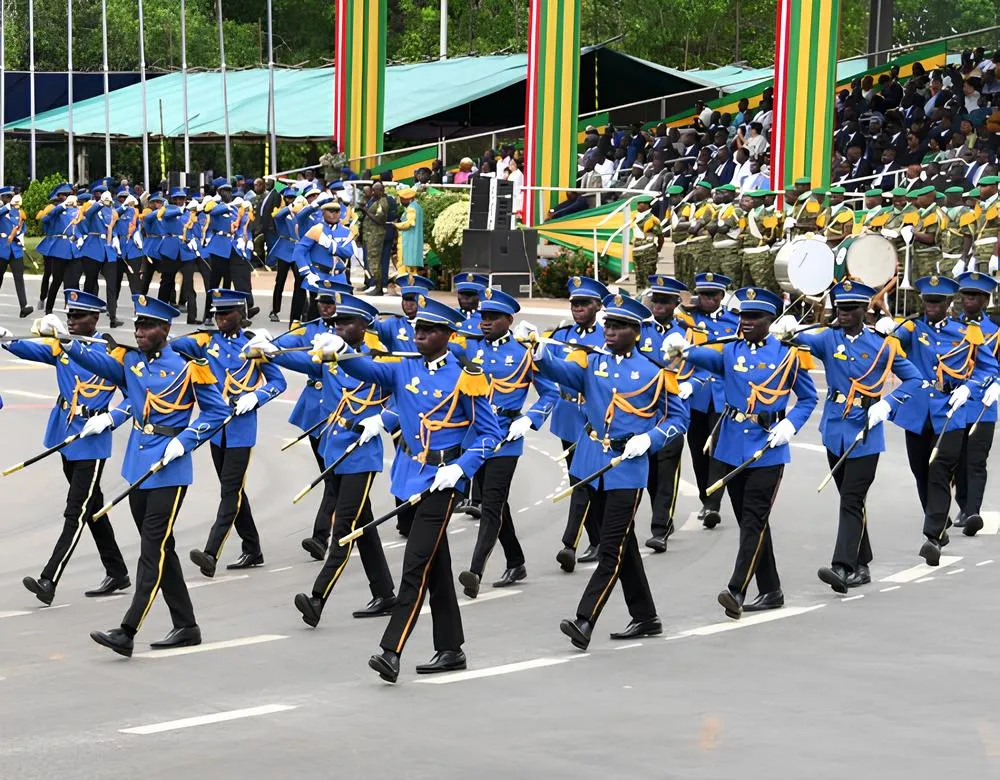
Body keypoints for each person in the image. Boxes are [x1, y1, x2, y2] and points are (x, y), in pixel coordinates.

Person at [311, 295, 501, 683]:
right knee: (436, 565)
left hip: (443, 480)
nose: (421, 336)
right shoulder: (404, 367)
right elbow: (367, 370)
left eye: (430, 331)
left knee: (414, 565)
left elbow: (489, 435)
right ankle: (450, 648)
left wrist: (462, 469)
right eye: (418, 329)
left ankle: (390, 650)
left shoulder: (467, 376)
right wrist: (343, 352)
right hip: (409, 474)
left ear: (447, 336)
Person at [35, 295, 230, 657]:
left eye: (147, 326)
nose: (139, 332)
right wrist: (65, 341)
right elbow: (97, 361)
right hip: (139, 466)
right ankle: (187, 625)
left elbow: (217, 413)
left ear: (165, 329)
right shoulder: (131, 361)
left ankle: (127, 630)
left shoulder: (189, 366)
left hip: (170, 468)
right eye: (137, 326)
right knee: (162, 550)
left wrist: (186, 441)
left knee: (151, 550)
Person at [526, 292, 688, 649]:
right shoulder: (592, 363)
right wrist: (538, 350)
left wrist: (650, 440)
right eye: (608, 325)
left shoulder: (655, 373)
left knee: (610, 548)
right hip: (590, 461)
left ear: (636, 331)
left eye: (618, 327)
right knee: (622, 542)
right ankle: (646, 616)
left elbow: (679, 419)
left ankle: (585, 619)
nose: (609, 332)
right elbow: (563, 372)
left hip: (626, 468)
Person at [250, 289, 398, 625]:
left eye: (347, 323)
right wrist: (272, 352)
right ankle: (386, 593)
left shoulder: (380, 361)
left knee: (343, 527)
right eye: (335, 322)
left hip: (361, 452)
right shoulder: (329, 356)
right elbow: (302, 361)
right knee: (362, 524)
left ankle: (317, 598)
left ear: (365, 326)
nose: (338, 328)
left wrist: (383, 419)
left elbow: (404, 399)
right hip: (334, 448)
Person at [670, 286, 817, 619]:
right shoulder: (729, 351)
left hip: (768, 448)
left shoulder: (788, 355)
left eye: (754, 317)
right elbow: (690, 356)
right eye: (743, 316)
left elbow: (808, 398)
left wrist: (790, 425)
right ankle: (772, 589)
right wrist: (677, 348)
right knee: (750, 521)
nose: (746, 322)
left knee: (753, 520)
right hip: (732, 446)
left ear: (770, 320)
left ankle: (736, 589)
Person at [771, 281, 922, 592]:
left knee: (852, 499)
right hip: (835, 430)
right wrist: (788, 332)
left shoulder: (883, 344)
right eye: (840, 308)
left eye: (851, 309)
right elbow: (803, 343)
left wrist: (888, 404)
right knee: (850, 499)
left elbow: (914, 379)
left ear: (865, 310)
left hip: (867, 431)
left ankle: (842, 565)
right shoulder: (829, 338)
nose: (844, 314)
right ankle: (862, 562)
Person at [0, 290, 130, 605]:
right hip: (65, 436)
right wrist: (6, 339)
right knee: (91, 509)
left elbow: (136, 398)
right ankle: (118, 571)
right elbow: (31, 350)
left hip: (92, 439)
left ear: (94, 319)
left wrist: (110, 420)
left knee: (76, 512)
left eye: (78, 316)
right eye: (69, 315)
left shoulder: (113, 354)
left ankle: (49, 579)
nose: (71, 321)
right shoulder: (62, 346)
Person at [170, 290, 287, 576]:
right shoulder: (206, 341)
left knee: (230, 491)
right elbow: (174, 345)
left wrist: (255, 398)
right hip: (216, 430)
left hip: (241, 430)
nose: (219, 319)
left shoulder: (253, 345)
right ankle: (253, 548)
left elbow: (278, 382)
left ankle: (211, 552)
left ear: (241, 315)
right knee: (233, 490)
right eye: (216, 313)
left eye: (226, 313)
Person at [456, 288, 559, 597]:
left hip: (505, 435)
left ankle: (475, 571)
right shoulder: (471, 349)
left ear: (509, 320)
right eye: (482, 317)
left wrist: (530, 418)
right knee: (495, 502)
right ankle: (516, 561)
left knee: (491, 503)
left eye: (492, 318)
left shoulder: (524, 352)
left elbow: (551, 392)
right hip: (476, 434)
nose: (485, 323)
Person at [892, 275, 998, 563]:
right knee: (920, 471)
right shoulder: (912, 329)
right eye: (928, 301)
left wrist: (969, 386)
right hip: (917, 411)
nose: (932, 306)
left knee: (940, 468)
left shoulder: (967, 332)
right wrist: (886, 332)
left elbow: (989, 368)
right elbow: (889, 347)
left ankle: (932, 536)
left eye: (938, 301)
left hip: (951, 410)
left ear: (949, 303)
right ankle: (938, 522)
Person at [271, 274, 354, 560]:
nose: (325, 308)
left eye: (330, 303)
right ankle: (342, 532)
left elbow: (314, 363)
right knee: (335, 479)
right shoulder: (310, 329)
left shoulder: (355, 336)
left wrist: (276, 354)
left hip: (346, 415)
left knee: (336, 479)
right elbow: (286, 344)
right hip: (316, 414)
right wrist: (273, 348)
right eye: (321, 302)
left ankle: (322, 536)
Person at [640, 275, 706, 551]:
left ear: (676, 304)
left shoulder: (690, 333)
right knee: (650, 475)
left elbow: (704, 367)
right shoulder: (639, 330)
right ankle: (663, 519)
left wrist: (690, 385)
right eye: (656, 300)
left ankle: (660, 528)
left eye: (665, 301)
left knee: (668, 470)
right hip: (642, 410)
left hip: (673, 409)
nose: (658, 305)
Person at [547, 276, 608, 571]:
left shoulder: (607, 337)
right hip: (568, 416)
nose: (578, 309)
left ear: (598, 306)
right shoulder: (561, 335)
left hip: (594, 418)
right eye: (574, 304)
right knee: (581, 480)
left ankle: (569, 543)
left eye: (585, 303)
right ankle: (598, 539)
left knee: (583, 479)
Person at [683, 273, 740, 529]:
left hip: (721, 396)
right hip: (694, 396)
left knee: (717, 450)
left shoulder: (734, 321)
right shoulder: (688, 318)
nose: (706, 299)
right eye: (703, 295)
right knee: (697, 451)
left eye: (712, 295)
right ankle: (705, 496)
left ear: (721, 296)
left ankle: (712, 504)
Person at [952, 272, 1000, 533]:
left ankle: (973, 512)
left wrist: (998, 385)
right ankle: (963, 504)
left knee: (976, 460)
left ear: (984, 300)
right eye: (965, 295)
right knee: (957, 460)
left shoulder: (996, 332)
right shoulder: (951, 327)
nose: (967, 301)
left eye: (973, 296)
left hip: (984, 405)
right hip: (957, 402)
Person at [373, 272, 433, 352]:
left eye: (413, 300)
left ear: (423, 301)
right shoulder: (394, 324)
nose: (408, 304)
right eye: (405, 299)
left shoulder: (434, 325)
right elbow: (371, 324)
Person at [267, 187, 302, 323]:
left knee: (300, 282)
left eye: (293, 198)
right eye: (288, 198)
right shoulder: (282, 213)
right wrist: (290, 207)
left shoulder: (300, 214)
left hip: (297, 249)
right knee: (280, 281)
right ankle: (275, 310)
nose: (291, 200)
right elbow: (277, 217)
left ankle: (299, 312)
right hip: (284, 248)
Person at [0, 189, 33, 317]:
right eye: (7, 197)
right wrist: (7, 207)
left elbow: (21, 227)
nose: (10, 199)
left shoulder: (18, 213)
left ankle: (23, 306)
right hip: (2, 248)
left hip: (15, 249)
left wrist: (20, 236)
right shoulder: (3, 211)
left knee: (19, 278)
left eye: (11, 196)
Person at [362, 182, 390, 293]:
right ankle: (377, 286)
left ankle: (378, 287)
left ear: (381, 191)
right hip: (370, 235)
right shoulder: (376, 201)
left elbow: (380, 220)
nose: (373, 192)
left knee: (375, 262)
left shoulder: (382, 203)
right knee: (372, 261)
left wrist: (367, 212)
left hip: (376, 236)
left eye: (375, 190)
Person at [393, 188, 424, 273]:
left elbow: (409, 223)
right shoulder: (418, 207)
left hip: (408, 240)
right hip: (414, 239)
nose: (401, 201)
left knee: (404, 263)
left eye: (403, 199)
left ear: (409, 199)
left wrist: (396, 225)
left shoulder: (411, 208)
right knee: (412, 264)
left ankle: (405, 282)